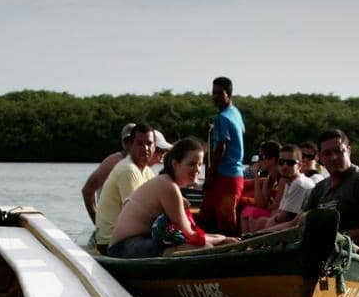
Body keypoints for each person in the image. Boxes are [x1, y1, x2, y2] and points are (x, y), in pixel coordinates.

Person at [107, 137, 239, 258]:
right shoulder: (168, 186)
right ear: (175, 164)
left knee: (209, 244)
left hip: (140, 241)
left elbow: (189, 232)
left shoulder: (167, 182)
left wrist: (221, 237)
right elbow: (189, 234)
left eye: (200, 164)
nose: (197, 169)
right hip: (124, 248)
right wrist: (221, 239)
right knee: (205, 248)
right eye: (191, 164)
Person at [303, 129, 359, 247]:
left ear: (348, 151)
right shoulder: (319, 188)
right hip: (321, 253)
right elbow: (301, 222)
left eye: (338, 151)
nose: (334, 157)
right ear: (320, 158)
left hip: (352, 255)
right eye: (327, 153)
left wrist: (341, 236)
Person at [93, 124, 157, 249]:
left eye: (149, 143)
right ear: (131, 145)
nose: (145, 148)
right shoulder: (129, 170)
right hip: (113, 243)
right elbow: (136, 216)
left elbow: (158, 202)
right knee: (171, 247)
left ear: (154, 146)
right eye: (139, 143)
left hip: (128, 237)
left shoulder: (147, 171)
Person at [201, 76, 245, 234]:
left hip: (225, 177)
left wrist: (210, 175)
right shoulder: (235, 113)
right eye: (213, 93)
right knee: (212, 216)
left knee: (221, 224)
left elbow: (222, 147)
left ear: (229, 94)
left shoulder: (222, 118)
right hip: (235, 176)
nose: (215, 97)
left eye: (219, 93)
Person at [241, 143, 316, 234]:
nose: (285, 166)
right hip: (291, 221)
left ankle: (249, 243)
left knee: (256, 218)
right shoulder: (289, 181)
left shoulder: (298, 183)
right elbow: (262, 204)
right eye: (281, 162)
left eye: (290, 163)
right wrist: (256, 175)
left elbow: (282, 216)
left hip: (299, 229)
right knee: (253, 216)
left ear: (299, 166)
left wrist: (269, 223)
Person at [81, 122, 137, 220]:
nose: (130, 144)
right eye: (127, 141)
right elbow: (87, 190)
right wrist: (96, 220)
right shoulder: (113, 162)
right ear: (122, 143)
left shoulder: (139, 165)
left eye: (133, 140)